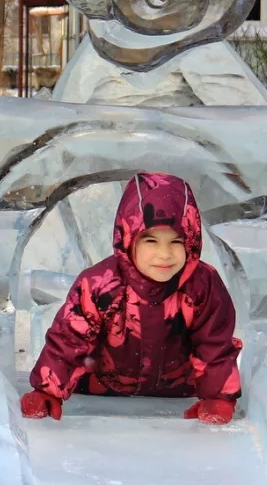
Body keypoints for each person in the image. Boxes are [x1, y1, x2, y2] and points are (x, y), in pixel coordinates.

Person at [20, 172, 243, 424]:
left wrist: (218, 396)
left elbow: (214, 345)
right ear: (128, 238)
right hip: (100, 389)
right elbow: (70, 340)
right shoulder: (100, 284)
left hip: (180, 392)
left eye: (176, 241)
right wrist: (47, 391)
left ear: (191, 241)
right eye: (151, 240)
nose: (164, 254)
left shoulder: (202, 286)